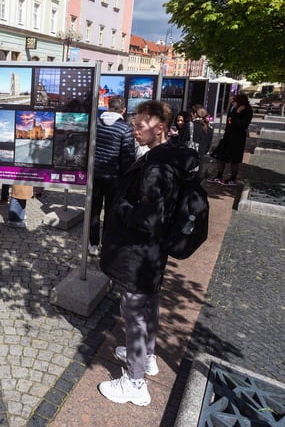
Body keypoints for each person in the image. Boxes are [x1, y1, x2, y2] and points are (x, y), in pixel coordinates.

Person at [98, 100, 199, 407]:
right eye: (134, 123)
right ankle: (148, 356)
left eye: (140, 126)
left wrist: (121, 206)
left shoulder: (158, 167)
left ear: (159, 129)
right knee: (148, 303)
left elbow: (148, 219)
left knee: (134, 313)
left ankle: (134, 383)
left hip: (139, 254)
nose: (134, 129)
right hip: (151, 255)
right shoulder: (170, 157)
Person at [89, 95, 135, 256]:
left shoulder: (96, 124)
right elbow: (128, 158)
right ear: (123, 110)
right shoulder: (125, 129)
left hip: (95, 175)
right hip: (114, 179)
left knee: (94, 210)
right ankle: (106, 244)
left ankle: (92, 243)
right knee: (110, 212)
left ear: (108, 107)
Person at [209, 93, 253, 185]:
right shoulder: (234, 109)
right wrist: (233, 110)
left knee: (234, 159)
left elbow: (240, 125)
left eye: (235, 101)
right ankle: (219, 175)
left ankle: (233, 179)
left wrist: (236, 113)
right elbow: (229, 120)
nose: (233, 102)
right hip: (228, 136)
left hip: (237, 138)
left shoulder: (246, 111)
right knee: (220, 156)